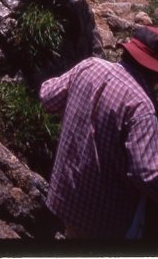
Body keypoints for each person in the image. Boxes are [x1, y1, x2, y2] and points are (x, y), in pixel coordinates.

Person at [39, 25, 158, 239]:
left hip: (65, 199)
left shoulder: (89, 66)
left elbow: (48, 97)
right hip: (105, 223)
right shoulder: (142, 108)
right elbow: (147, 176)